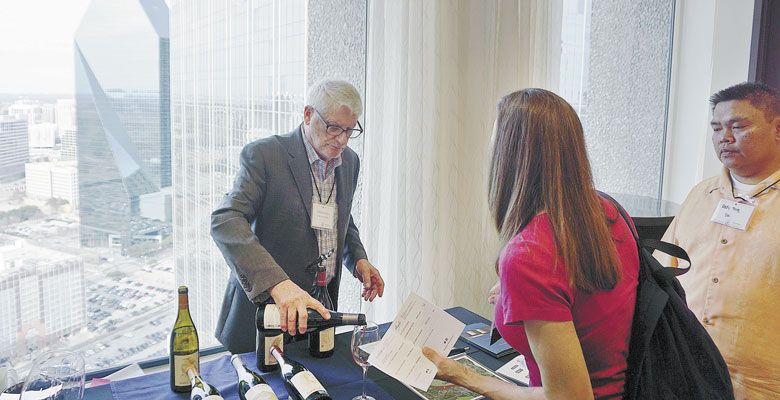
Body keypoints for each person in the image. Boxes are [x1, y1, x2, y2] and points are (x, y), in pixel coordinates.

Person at [424, 88, 640, 399]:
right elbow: (593, 298)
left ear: (510, 154)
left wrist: (468, 378)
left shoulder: (529, 254)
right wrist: (525, 289)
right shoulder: (608, 211)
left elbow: (570, 397)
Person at [211, 79, 385, 354]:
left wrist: (359, 259)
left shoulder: (349, 161)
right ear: (307, 114)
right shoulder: (265, 155)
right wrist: (278, 285)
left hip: (317, 315)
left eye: (350, 130)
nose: (342, 139)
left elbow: (342, 219)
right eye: (334, 128)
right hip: (265, 317)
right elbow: (225, 220)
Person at [656, 82, 780, 399]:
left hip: (759, 385)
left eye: (737, 126)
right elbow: (661, 275)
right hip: (684, 371)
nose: (724, 138)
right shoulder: (701, 194)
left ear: (777, 128)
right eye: (716, 128)